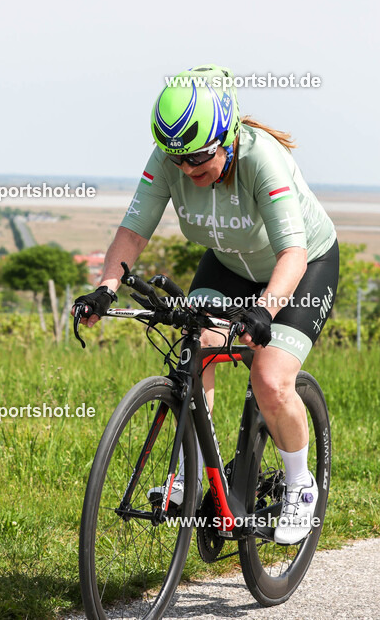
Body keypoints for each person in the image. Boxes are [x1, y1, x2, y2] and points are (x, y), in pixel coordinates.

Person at [73, 64, 339, 544]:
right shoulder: (171, 159)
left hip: (300, 268)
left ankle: (301, 486)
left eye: (199, 161)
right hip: (229, 265)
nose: (188, 173)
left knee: (270, 379)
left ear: (229, 137)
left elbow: (293, 253)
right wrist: (105, 288)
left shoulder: (263, 161)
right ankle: (189, 474)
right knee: (196, 347)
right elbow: (133, 232)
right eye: (180, 163)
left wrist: (264, 311)